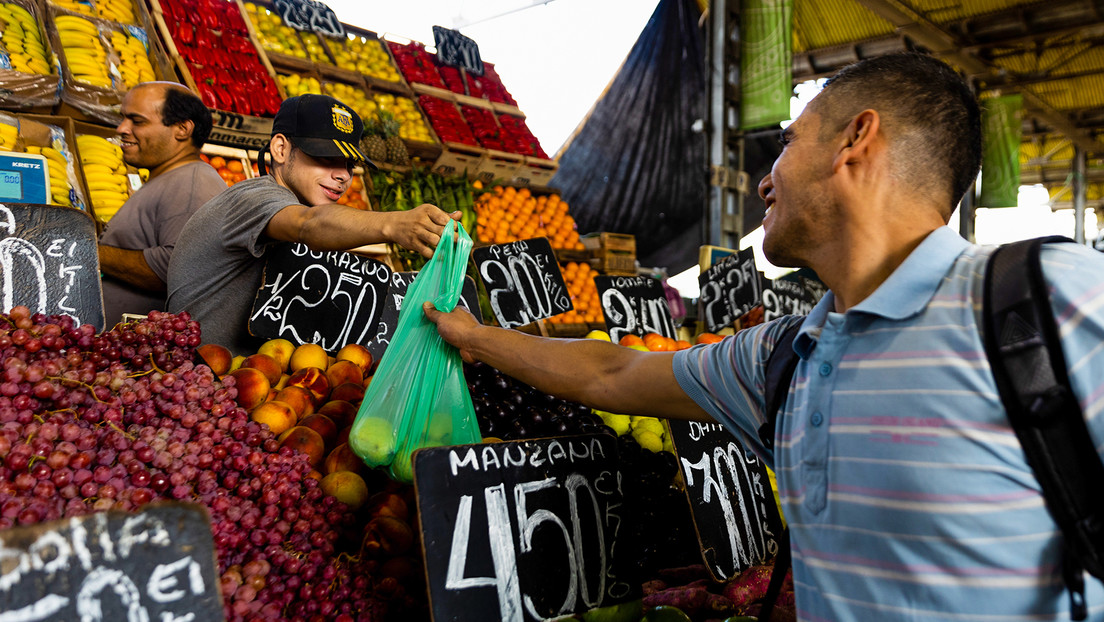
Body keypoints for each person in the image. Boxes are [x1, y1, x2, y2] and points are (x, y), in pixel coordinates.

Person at [424, 52, 1104, 620]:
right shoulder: (782, 357)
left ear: (854, 140)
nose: (761, 179)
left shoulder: (1048, 300)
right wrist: (475, 337)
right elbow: (613, 375)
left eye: (787, 143)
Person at [166, 94, 458, 354]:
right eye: (326, 157)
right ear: (280, 149)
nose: (343, 175)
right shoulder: (255, 197)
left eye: (349, 165)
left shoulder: (295, 205)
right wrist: (394, 224)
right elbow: (307, 225)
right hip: (200, 388)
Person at [97, 82, 225, 326]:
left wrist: (90, 252)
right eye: (123, 118)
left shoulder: (191, 184)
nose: (122, 128)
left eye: (137, 121)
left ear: (182, 129)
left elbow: (177, 268)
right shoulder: (172, 178)